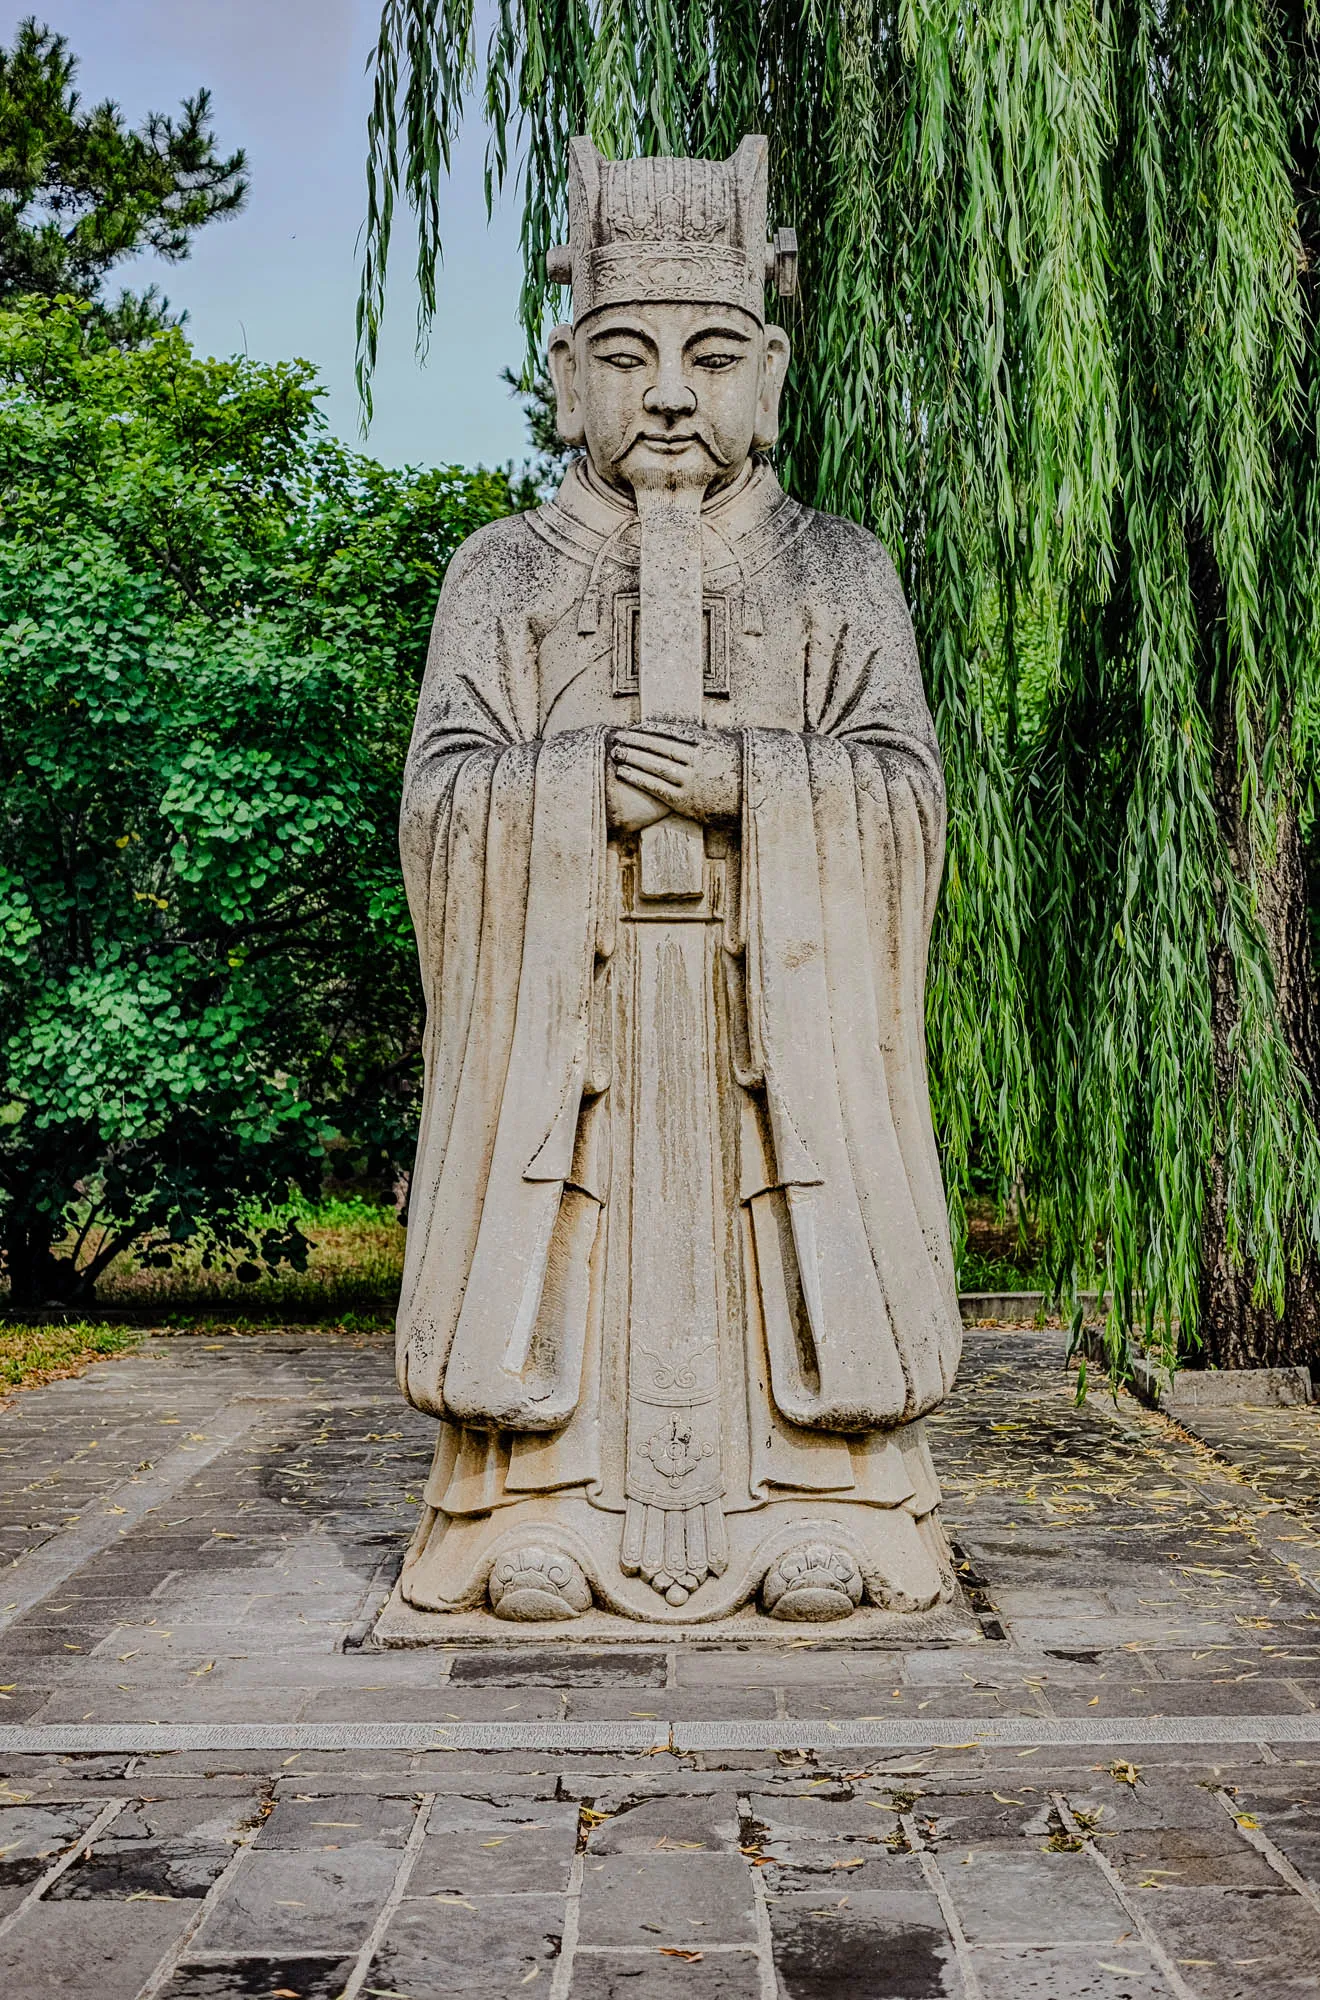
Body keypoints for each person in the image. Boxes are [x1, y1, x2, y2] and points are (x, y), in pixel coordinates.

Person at [395, 136, 962, 1625]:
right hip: (568, 1010)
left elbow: (906, 800)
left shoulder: (839, 570)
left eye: (710, 357)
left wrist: (755, 788)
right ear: (566, 370)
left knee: (793, 1216)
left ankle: (826, 1503)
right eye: (624, 356)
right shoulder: (501, 573)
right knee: (557, 1218)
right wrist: (569, 783)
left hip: (768, 1007)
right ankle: (532, 1505)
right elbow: (444, 802)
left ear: (768, 372)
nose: (666, 394)